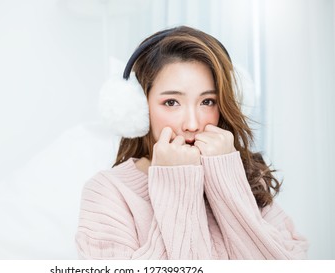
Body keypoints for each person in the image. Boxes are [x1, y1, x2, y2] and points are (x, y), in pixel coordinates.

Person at [75, 26, 308, 259]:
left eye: (207, 101)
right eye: (171, 102)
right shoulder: (109, 192)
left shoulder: (243, 177)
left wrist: (226, 179)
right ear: (139, 108)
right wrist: (176, 183)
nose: (192, 124)